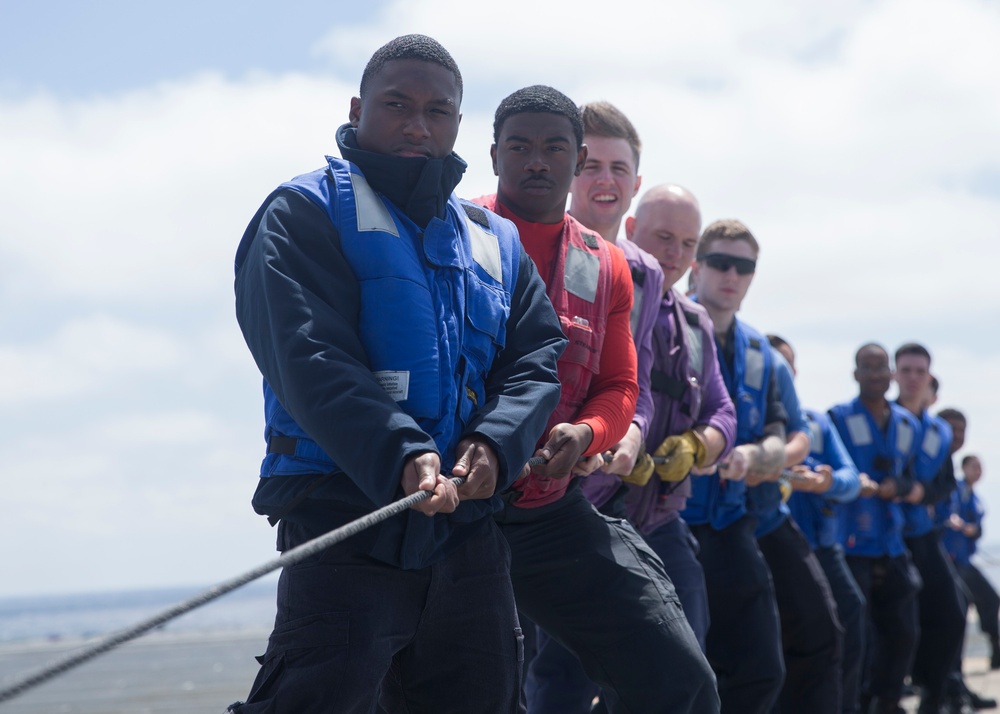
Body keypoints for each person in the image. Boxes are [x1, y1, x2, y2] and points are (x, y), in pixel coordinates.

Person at [228, 36, 567, 713]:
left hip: (468, 534)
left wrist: (491, 446)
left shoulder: (493, 241)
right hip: (347, 516)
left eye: (437, 111)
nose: (417, 125)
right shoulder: (300, 214)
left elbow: (535, 360)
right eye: (397, 105)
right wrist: (404, 455)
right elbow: (309, 356)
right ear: (358, 109)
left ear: (458, 126)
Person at [476, 85, 719, 714]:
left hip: (548, 512)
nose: (537, 162)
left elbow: (619, 387)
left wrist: (589, 434)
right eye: (520, 147)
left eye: (555, 148)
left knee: (680, 679)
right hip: (457, 510)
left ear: (573, 159)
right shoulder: (455, 233)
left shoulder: (605, 265)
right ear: (494, 154)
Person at [684, 218, 788, 713]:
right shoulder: (662, 325)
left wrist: (753, 455)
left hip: (732, 524)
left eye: (743, 267)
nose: (732, 274)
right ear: (696, 267)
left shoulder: (760, 352)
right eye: (721, 263)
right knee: (676, 671)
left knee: (763, 667)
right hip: (665, 523)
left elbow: (782, 430)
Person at [771, 334, 867, 714]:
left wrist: (823, 481)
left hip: (821, 548)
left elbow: (851, 480)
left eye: (786, 365)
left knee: (851, 617)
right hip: (768, 545)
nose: (781, 372)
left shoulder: (816, 423)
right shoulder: (743, 425)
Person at [828, 343, 922, 714]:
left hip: (891, 541)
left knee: (903, 631)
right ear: (855, 374)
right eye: (867, 368)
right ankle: (853, 704)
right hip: (851, 542)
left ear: (891, 374)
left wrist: (896, 488)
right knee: (856, 634)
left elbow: (914, 477)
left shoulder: (907, 425)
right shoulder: (837, 418)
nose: (874, 375)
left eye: (881, 368)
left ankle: (887, 701)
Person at [895, 344, 967, 714]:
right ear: (895, 374)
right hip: (888, 536)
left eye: (919, 371)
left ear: (929, 377)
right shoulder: (884, 418)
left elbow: (946, 483)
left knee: (953, 612)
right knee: (901, 622)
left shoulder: (938, 430)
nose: (912, 377)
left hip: (924, 535)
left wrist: (923, 493)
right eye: (905, 370)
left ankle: (935, 694)